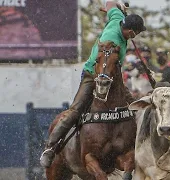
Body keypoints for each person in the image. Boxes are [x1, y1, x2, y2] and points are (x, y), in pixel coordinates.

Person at [40, 1, 146, 168]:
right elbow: (103, 65)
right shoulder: (111, 40)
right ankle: (50, 148)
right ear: (131, 31)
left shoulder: (117, 18)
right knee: (76, 110)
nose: (135, 37)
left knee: (133, 105)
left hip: (114, 77)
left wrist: (118, 6)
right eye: (136, 34)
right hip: (94, 75)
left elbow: (110, 3)